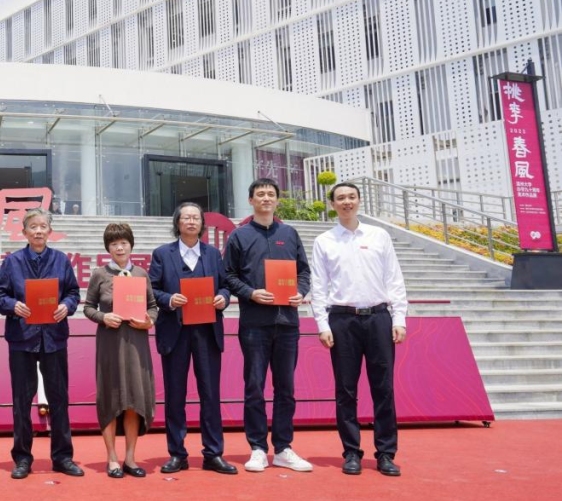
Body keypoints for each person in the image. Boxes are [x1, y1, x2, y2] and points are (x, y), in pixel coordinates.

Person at [311, 182, 408, 477]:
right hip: (342, 321)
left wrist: (399, 318)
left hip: (378, 318)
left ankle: (386, 453)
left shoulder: (379, 236)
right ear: (332, 204)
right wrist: (322, 324)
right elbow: (319, 286)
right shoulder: (324, 241)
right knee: (345, 390)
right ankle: (351, 451)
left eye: (351, 197)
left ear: (359, 200)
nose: (347, 202)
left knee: (384, 388)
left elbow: (394, 278)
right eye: (340, 198)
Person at [223, 178, 313, 473]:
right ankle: (258, 448)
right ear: (251, 200)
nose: (265, 198)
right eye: (260, 194)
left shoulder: (289, 233)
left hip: (287, 323)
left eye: (270, 194)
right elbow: (228, 276)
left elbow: (303, 272)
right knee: (254, 387)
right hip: (254, 324)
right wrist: (250, 293)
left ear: (277, 200)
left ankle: (283, 448)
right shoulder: (239, 236)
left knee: (286, 388)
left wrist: (300, 291)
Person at [0, 208, 83, 479]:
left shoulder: (61, 260)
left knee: (59, 399)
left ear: (49, 231)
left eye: (43, 226)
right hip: (22, 338)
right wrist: (13, 305)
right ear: (24, 232)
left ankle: (62, 457)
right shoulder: (12, 262)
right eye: (33, 227)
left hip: (54, 337)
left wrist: (67, 305)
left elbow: (73, 292)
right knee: (21, 401)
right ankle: (22, 458)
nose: (39, 231)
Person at [149, 203, 237, 475]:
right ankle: (177, 454)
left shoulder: (213, 254)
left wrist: (223, 297)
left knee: (210, 395)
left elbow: (225, 285)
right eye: (185, 218)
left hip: (207, 332)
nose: (190, 222)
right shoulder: (162, 254)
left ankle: (213, 453)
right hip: (174, 332)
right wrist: (168, 299)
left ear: (202, 224)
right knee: (175, 396)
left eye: (195, 218)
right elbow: (151, 289)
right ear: (177, 223)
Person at [83, 223, 157, 479]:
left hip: (137, 343)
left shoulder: (141, 274)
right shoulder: (99, 274)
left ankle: (130, 458)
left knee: (134, 400)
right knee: (111, 398)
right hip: (110, 343)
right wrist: (103, 317)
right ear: (108, 248)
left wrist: (149, 321)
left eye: (124, 242)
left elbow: (153, 306)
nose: (120, 248)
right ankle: (112, 458)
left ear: (131, 245)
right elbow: (88, 307)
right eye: (114, 244)